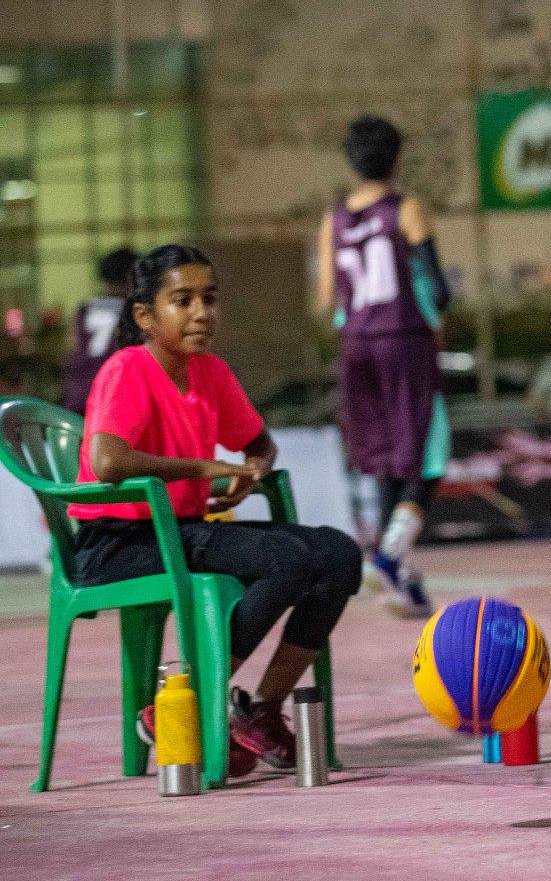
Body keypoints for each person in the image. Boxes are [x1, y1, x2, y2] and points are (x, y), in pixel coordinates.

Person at [69, 245, 362, 775]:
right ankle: (187, 703)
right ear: (145, 315)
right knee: (284, 559)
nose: (202, 313)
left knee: (338, 554)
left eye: (209, 299)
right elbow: (107, 461)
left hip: (182, 530)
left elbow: (260, 443)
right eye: (182, 301)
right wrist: (205, 470)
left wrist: (252, 472)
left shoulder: (210, 372)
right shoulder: (128, 369)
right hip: (119, 543)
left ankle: (260, 711)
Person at [316, 116, 452, 619]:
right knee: (429, 452)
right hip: (403, 341)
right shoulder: (406, 209)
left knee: (383, 456)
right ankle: (391, 557)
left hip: (355, 346)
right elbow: (438, 287)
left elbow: (327, 299)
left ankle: (405, 578)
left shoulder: (332, 221)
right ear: (397, 158)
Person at [60, 247, 136, 415]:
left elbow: (71, 350)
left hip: (78, 397)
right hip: (111, 399)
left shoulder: (83, 310)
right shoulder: (132, 311)